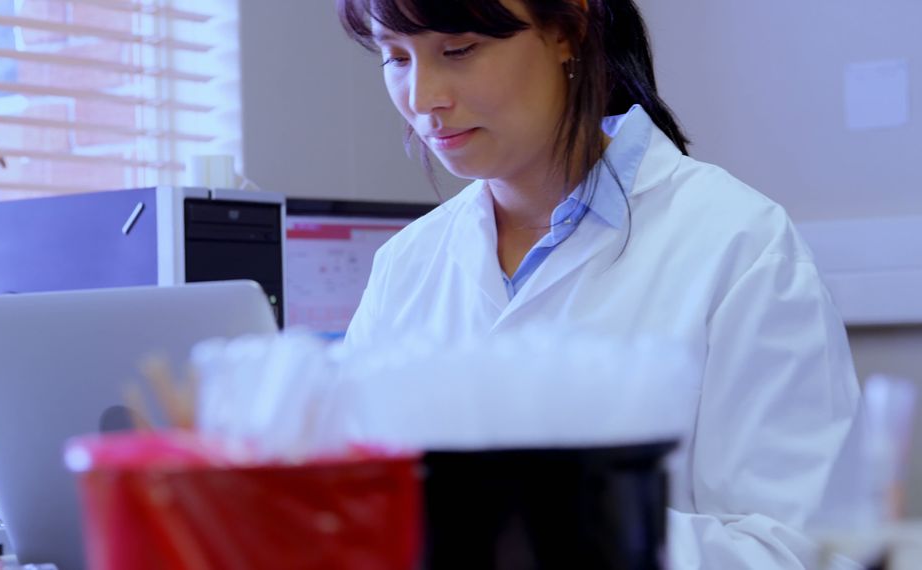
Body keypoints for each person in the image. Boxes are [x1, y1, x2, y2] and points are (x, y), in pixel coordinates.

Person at [336, 0, 861, 567]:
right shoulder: (406, 265)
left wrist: (559, 521)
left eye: (458, 50)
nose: (422, 98)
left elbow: (804, 549)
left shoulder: (741, 244)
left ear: (568, 30)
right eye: (394, 58)